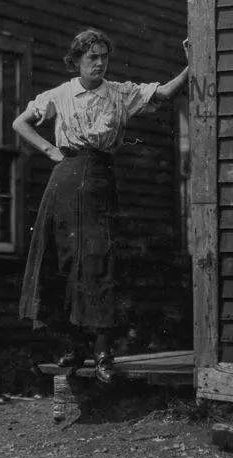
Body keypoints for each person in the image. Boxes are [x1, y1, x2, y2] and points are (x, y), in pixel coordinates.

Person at [13, 28, 189, 383]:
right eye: (92, 57)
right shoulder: (60, 95)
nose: (99, 63)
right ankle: (74, 347)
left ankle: (104, 351)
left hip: (98, 179)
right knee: (65, 260)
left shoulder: (120, 93)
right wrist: (49, 150)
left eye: (104, 57)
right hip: (65, 178)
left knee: (99, 259)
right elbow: (20, 122)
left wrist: (193, 63)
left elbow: (167, 92)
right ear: (76, 60)